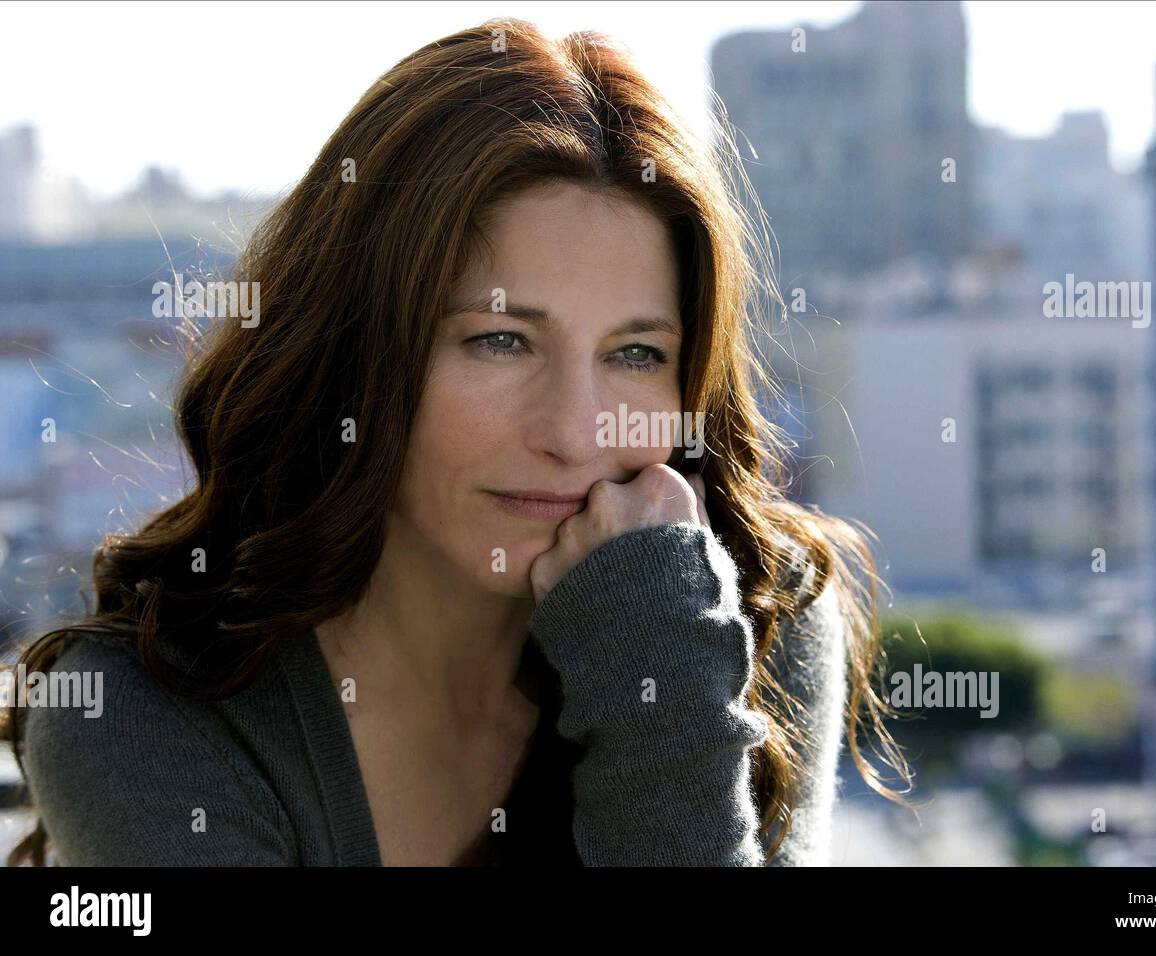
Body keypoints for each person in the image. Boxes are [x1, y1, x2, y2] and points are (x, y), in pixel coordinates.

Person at [3, 17, 908, 867]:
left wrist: (657, 686)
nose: (576, 433)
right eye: (500, 340)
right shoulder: (142, 720)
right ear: (354, 352)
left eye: (636, 353)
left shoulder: (747, 618)